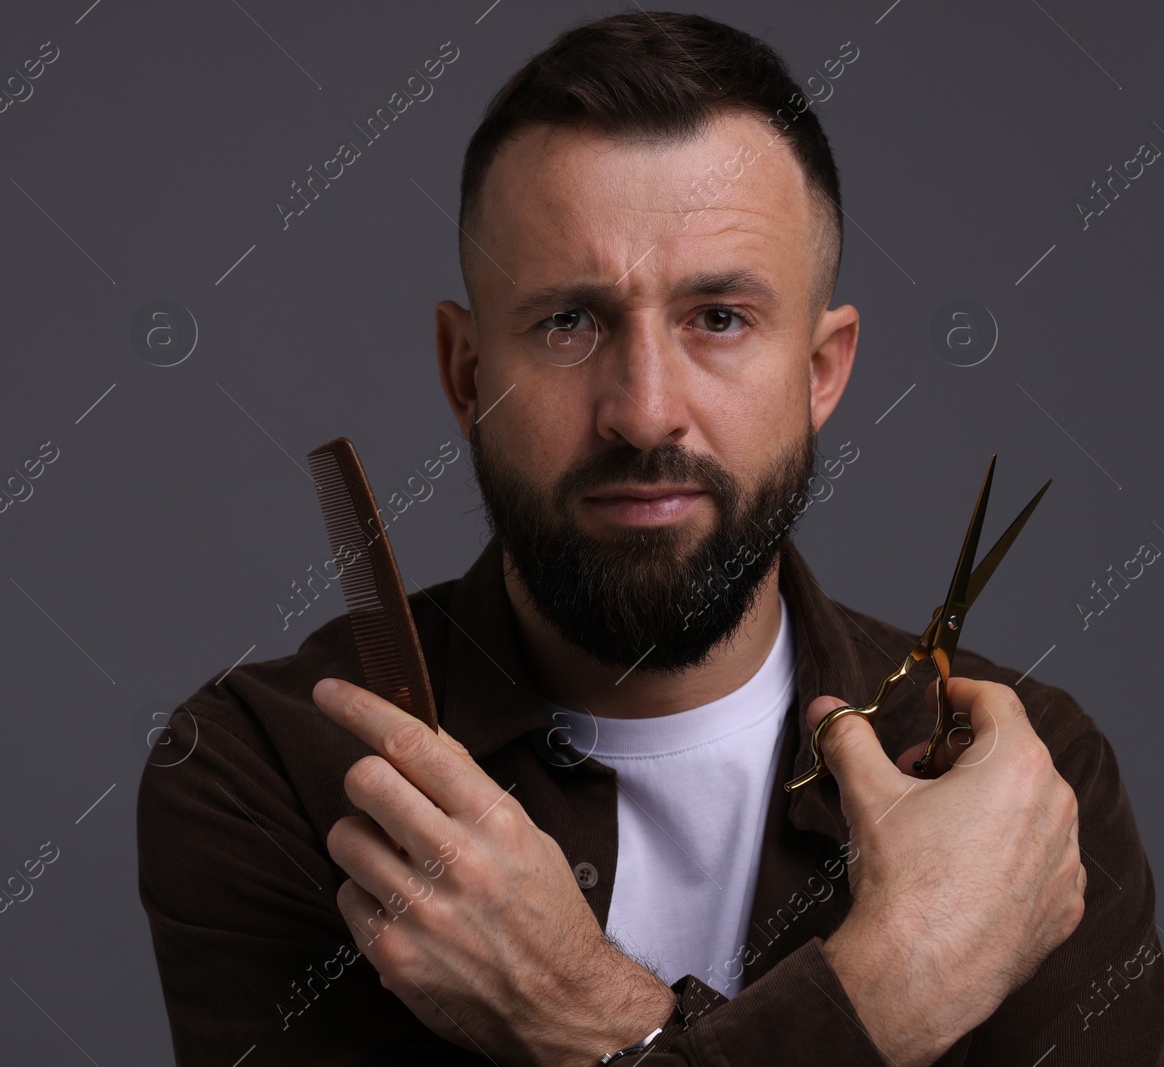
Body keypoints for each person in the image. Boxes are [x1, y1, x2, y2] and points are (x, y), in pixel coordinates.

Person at [136, 11, 1164, 1065]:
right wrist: (891, 993)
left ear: (821, 373)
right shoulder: (276, 770)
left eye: (717, 316)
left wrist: (585, 1013)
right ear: (465, 371)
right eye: (567, 322)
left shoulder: (1017, 788)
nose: (643, 410)